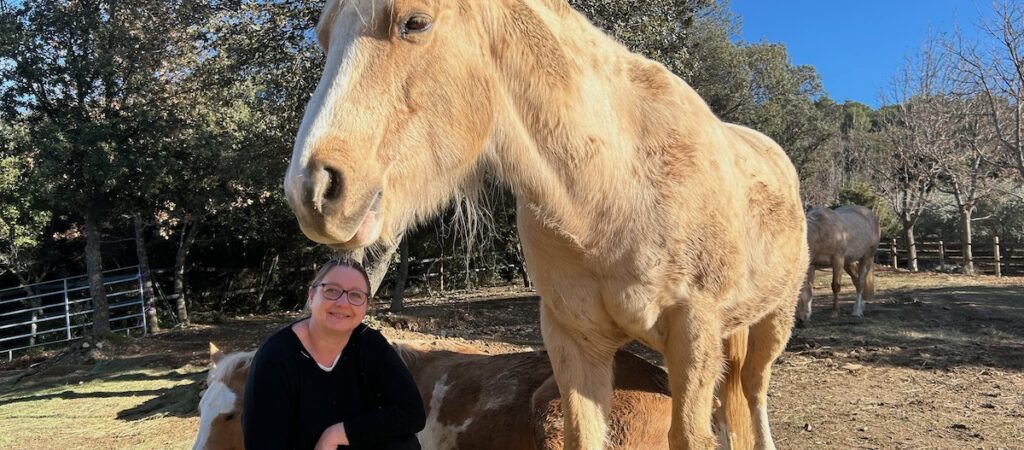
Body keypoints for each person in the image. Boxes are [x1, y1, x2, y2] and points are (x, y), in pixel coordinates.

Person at [242, 257, 426, 450]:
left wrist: (339, 434)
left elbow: (412, 413)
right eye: (332, 291)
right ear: (311, 296)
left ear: (366, 306)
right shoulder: (275, 359)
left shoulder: (370, 345)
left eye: (355, 295)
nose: (343, 303)